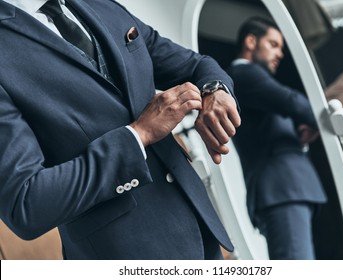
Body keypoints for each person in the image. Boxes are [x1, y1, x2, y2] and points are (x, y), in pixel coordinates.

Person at [0, 0, 241, 260]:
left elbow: (195, 65)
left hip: (201, 228)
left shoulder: (100, 4)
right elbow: (25, 204)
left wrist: (215, 90)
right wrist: (138, 135)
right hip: (122, 252)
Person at [227, 17, 327, 260]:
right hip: (282, 189)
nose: (279, 53)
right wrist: (317, 118)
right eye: (273, 44)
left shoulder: (250, 78)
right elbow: (293, 102)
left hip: (286, 189)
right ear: (251, 41)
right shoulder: (243, 74)